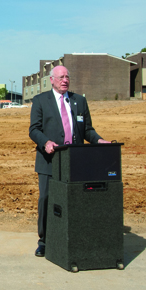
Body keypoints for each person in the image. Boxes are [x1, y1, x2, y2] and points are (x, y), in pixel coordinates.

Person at [29, 65, 110, 258]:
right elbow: (34, 129)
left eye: (67, 77)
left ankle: (74, 237)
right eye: (61, 77)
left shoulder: (79, 101)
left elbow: (87, 130)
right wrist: (45, 142)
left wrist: (99, 140)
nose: (65, 80)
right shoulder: (41, 101)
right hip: (49, 159)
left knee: (75, 199)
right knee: (47, 199)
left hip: (74, 160)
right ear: (51, 80)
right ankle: (44, 241)